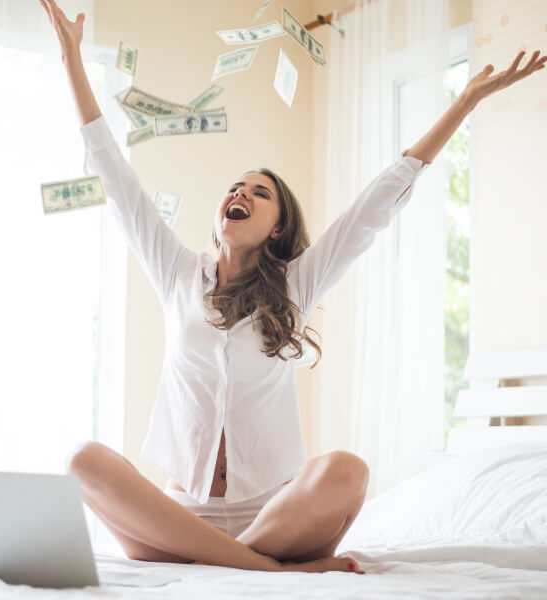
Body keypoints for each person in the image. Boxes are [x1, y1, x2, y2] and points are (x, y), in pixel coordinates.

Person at [39, 0, 546, 574]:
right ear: (218, 215)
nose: (242, 193)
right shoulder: (177, 271)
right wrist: (72, 60)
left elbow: (377, 204)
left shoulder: (296, 283)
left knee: (348, 470)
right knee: (82, 458)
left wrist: (465, 101)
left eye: (260, 192)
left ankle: (241, 559)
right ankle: (266, 570)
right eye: (236, 187)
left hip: (274, 515)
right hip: (179, 516)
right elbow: (113, 171)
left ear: (277, 225)